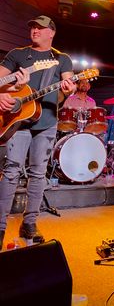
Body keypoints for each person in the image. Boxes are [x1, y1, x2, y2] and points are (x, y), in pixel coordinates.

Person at [0, 15, 76, 250]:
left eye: (40, 28)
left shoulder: (61, 58)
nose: (35, 30)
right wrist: (3, 93)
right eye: (32, 26)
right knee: (11, 170)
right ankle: (0, 226)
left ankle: (30, 223)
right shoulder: (18, 54)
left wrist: (70, 88)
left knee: (38, 173)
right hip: (17, 120)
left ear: (51, 32)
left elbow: (68, 83)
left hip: (47, 122)